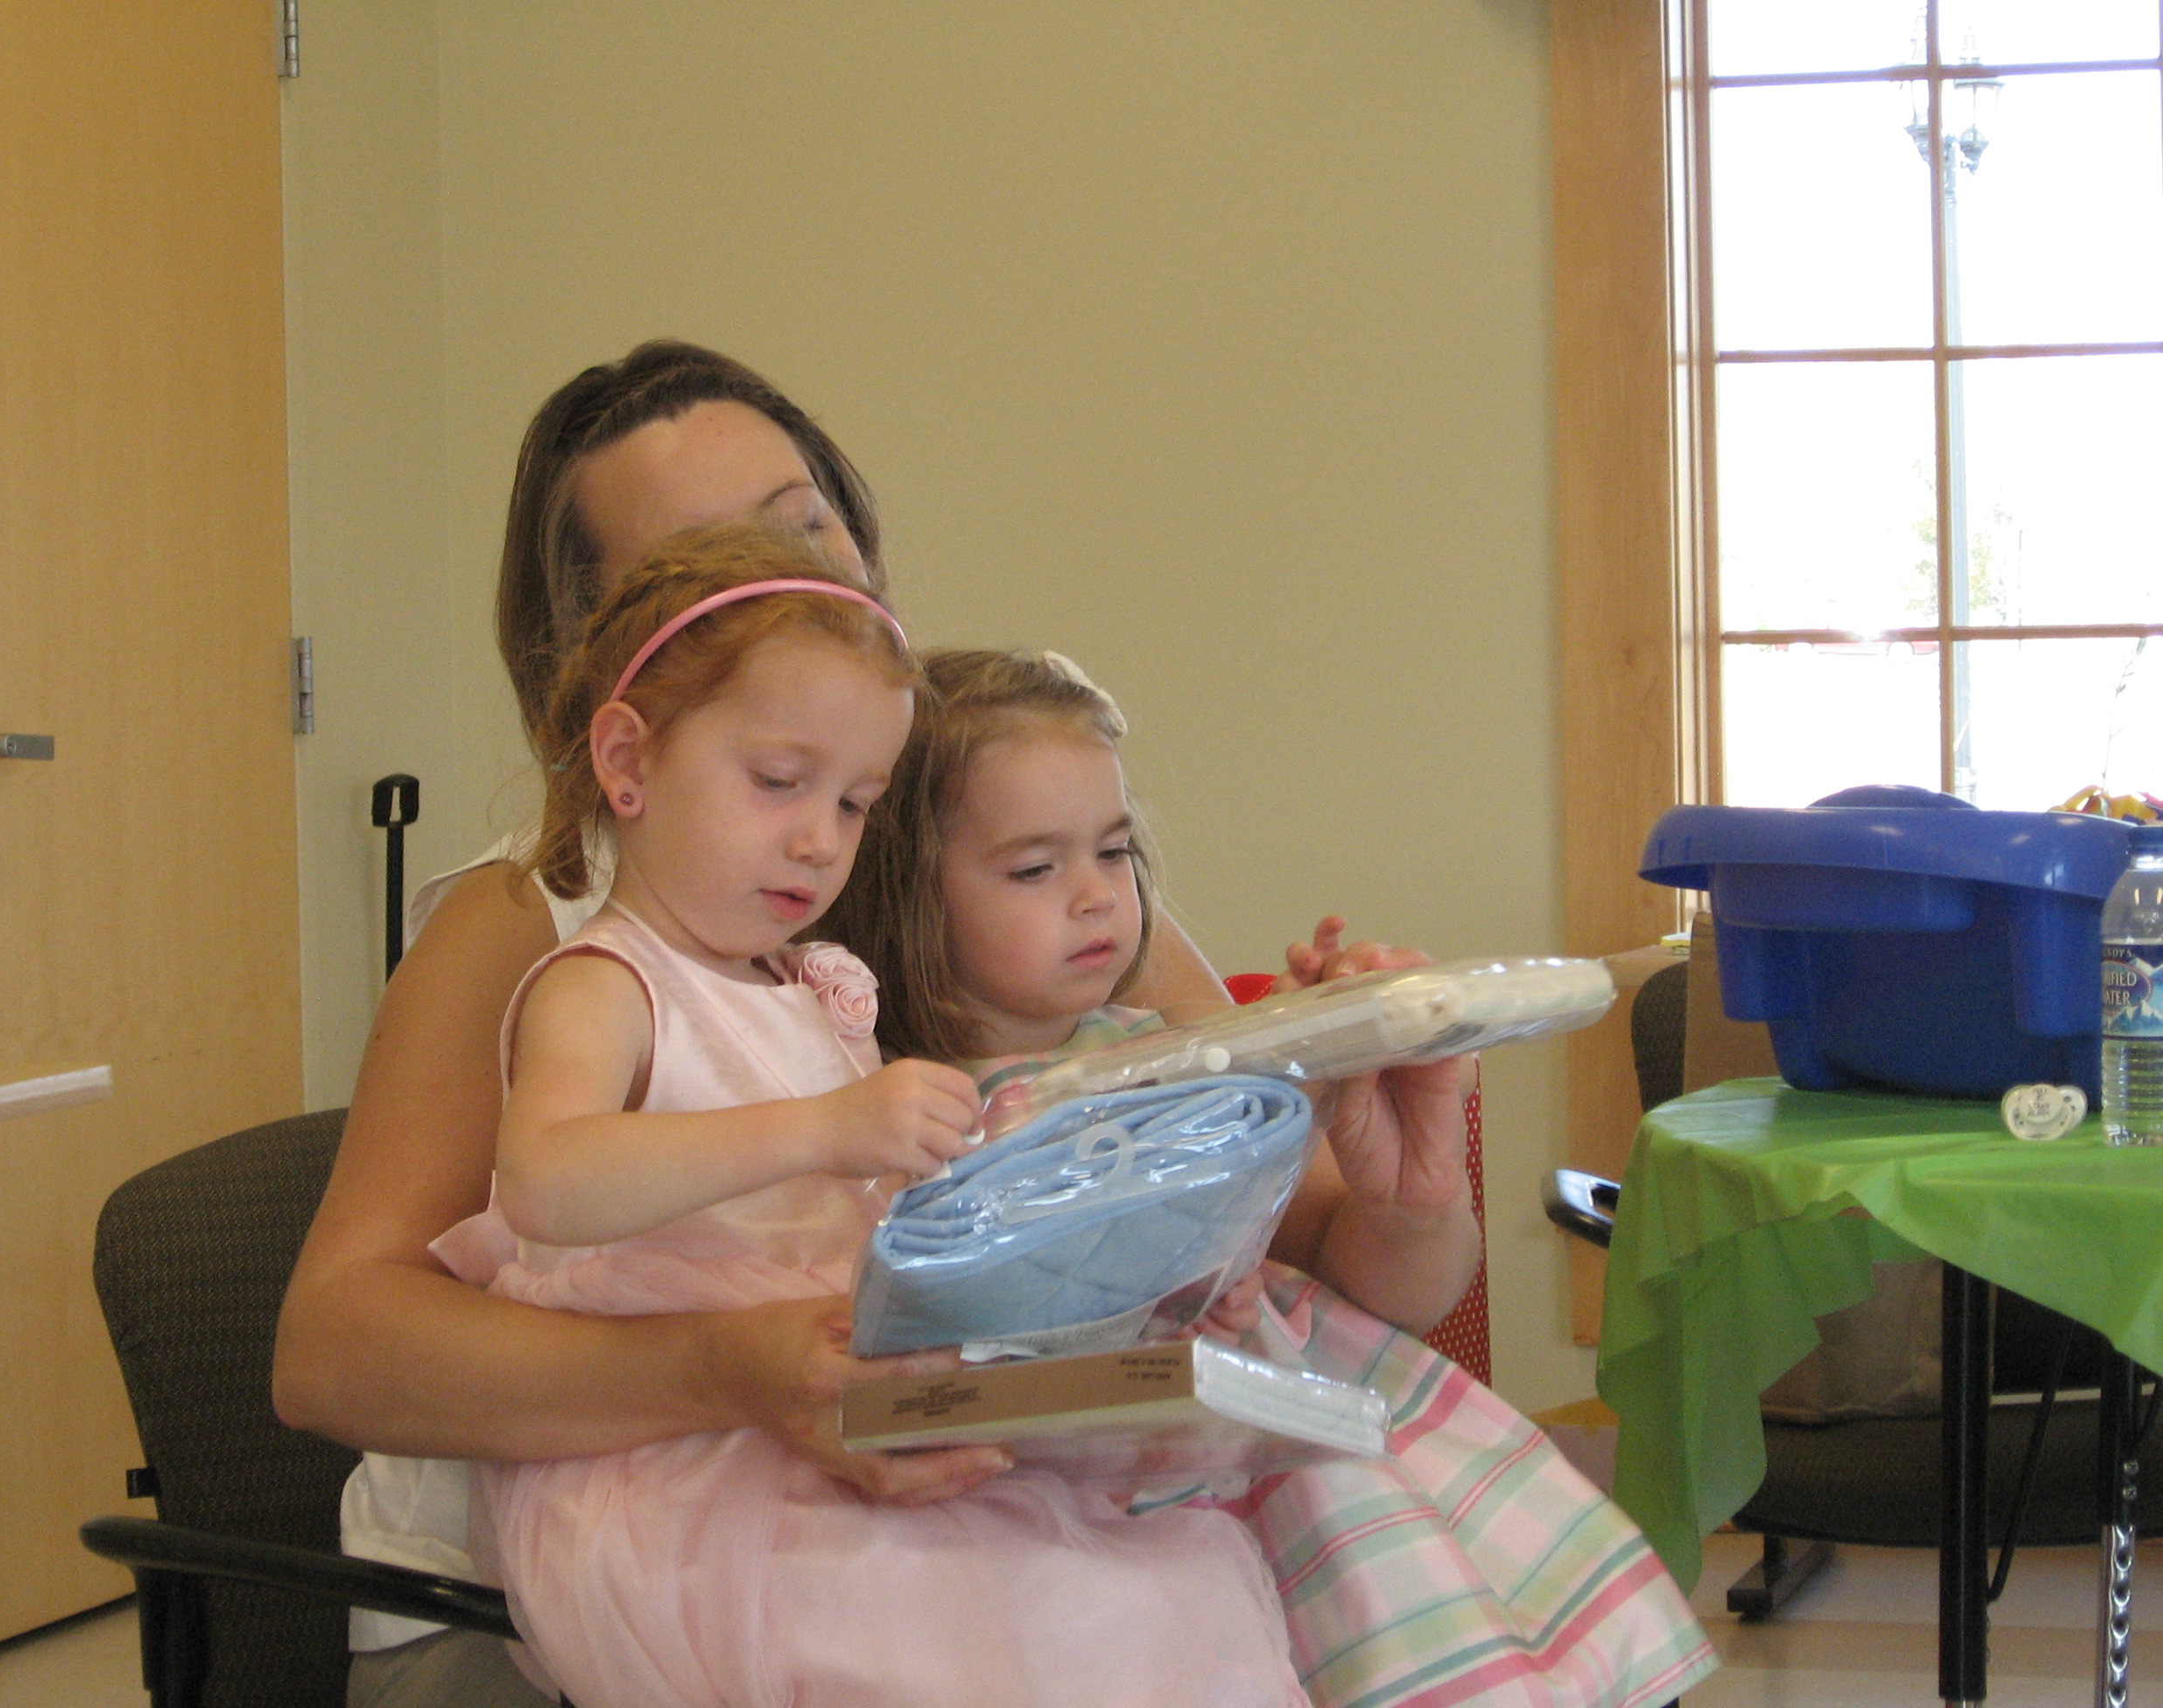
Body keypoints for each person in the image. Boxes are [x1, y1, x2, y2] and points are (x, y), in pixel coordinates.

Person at [266, 342, 1492, 1705]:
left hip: (942, 1506)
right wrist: (731, 1370)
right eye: (702, 568)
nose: (781, 587)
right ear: (614, 678)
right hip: (547, 1582)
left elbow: (1348, 1254)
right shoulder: (540, 924)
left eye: (800, 531)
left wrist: (1408, 1199)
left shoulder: (1012, 835)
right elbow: (334, 1354)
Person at [429, 526, 1308, 1707]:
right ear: (628, 761)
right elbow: (546, 1181)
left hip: (828, 1412)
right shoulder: (607, 984)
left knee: (1157, 1580)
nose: (819, 839)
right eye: (778, 782)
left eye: (854, 803)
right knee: (1002, 1628)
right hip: (682, 1471)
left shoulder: (810, 990)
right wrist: (824, 1129)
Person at [818, 649, 1718, 1708]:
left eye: (1114, 850)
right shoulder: (884, 1107)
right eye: (1033, 870)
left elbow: (1392, 1279)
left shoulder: (1176, 1056)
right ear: (902, 892)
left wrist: (1343, 1109)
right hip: (1064, 1487)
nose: (1098, 896)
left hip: (1274, 1426)